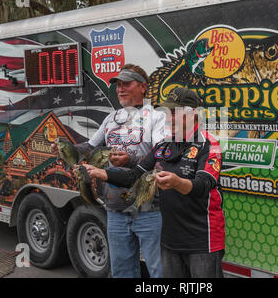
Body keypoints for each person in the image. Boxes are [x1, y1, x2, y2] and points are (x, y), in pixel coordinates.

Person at [85, 87, 226, 278]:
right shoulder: (164, 145)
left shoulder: (209, 144)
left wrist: (177, 182)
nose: (168, 117)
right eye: (167, 112)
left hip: (202, 240)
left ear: (194, 114)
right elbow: (134, 175)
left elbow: (203, 185)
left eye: (175, 112)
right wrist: (103, 173)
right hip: (169, 240)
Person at [52, 64, 166, 278]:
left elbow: (161, 157)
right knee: (122, 271)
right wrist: (65, 149)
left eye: (126, 84)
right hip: (115, 209)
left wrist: (130, 159)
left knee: (158, 271)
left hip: (149, 209)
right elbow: (89, 148)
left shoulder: (157, 117)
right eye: (118, 85)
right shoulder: (111, 118)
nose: (120, 89)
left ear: (143, 87)